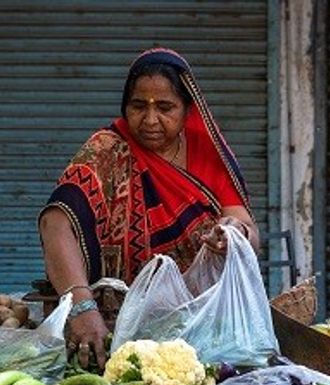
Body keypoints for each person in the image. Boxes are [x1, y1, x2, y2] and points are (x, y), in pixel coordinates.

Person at [39, 48, 259, 368]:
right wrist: (81, 308)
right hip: (115, 327)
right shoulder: (106, 151)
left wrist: (234, 234)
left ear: (187, 111)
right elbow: (56, 224)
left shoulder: (208, 153)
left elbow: (250, 233)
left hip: (205, 329)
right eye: (138, 106)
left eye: (166, 107)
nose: (150, 120)